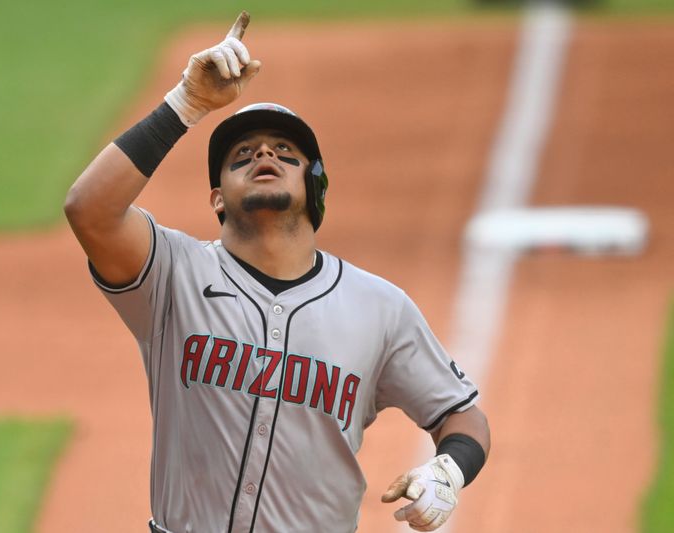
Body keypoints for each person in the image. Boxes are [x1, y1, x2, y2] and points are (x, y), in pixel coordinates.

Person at [64, 11, 490, 533]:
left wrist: (448, 470)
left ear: (315, 189)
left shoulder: (379, 307)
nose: (264, 153)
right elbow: (89, 209)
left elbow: (461, 414)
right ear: (217, 198)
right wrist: (187, 103)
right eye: (242, 154)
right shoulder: (171, 276)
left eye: (285, 153)